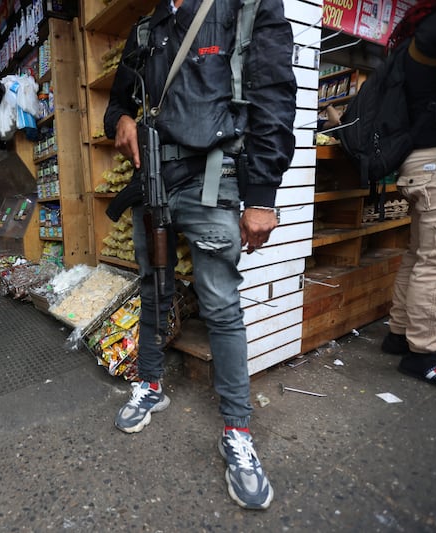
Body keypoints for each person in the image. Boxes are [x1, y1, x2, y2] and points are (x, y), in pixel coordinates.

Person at [103, 0, 296, 510]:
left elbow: (274, 96)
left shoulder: (247, 8)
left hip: (215, 182)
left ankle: (236, 431)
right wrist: (121, 121)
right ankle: (150, 385)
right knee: (152, 292)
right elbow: (114, 105)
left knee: (221, 308)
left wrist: (261, 197)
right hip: (153, 187)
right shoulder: (146, 28)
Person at [380, 0, 436, 392]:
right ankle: (426, 355)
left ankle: (401, 335)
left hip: (421, 161)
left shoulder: (427, 25)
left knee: (420, 254)